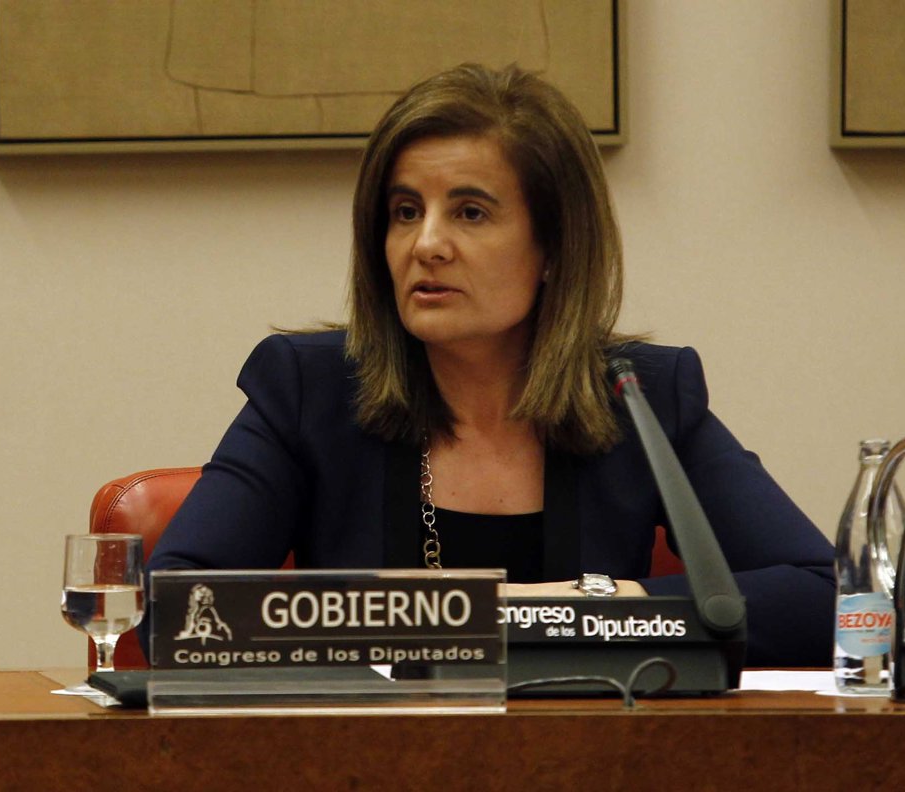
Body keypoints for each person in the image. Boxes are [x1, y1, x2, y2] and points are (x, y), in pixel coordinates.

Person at [148, 63, 835, 667]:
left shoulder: (639, 395)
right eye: (405, 211)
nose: (427, 244)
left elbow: (827, 597)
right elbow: (175, 608)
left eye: (471, 212)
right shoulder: (309, 390)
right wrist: (450, 616)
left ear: (554, 248)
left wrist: (597, 603)